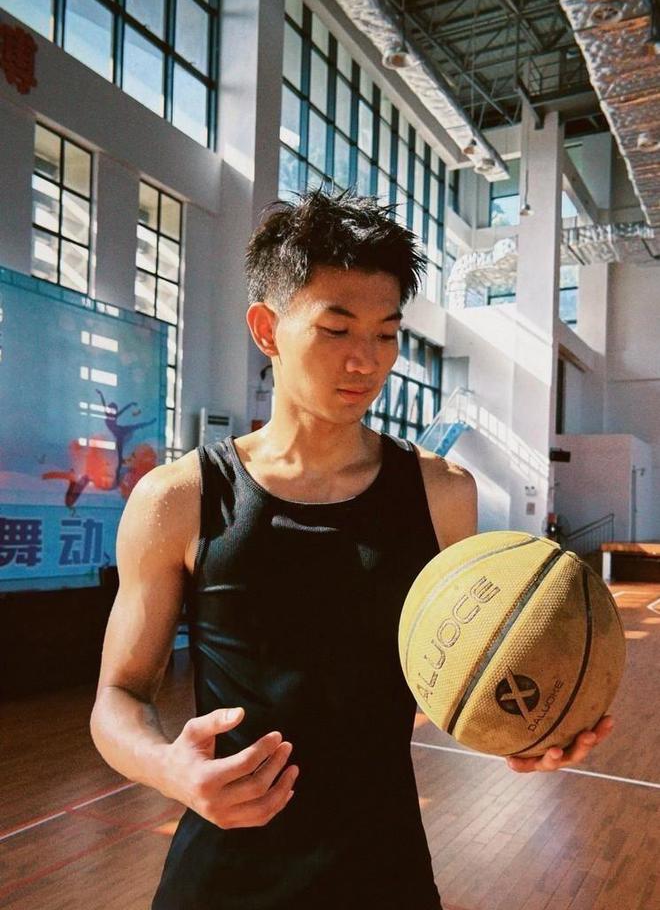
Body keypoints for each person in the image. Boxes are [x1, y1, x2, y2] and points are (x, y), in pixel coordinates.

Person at [89, 189, 614, 910]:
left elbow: (463, 663)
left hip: (385, 872)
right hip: (224, 879)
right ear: (267, 330)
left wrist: (529, 726)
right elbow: (117, 695)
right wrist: (168, 768)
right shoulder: (178, 499)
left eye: (386, 334)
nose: (366, 361)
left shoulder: (442, 493)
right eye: (336, 329)